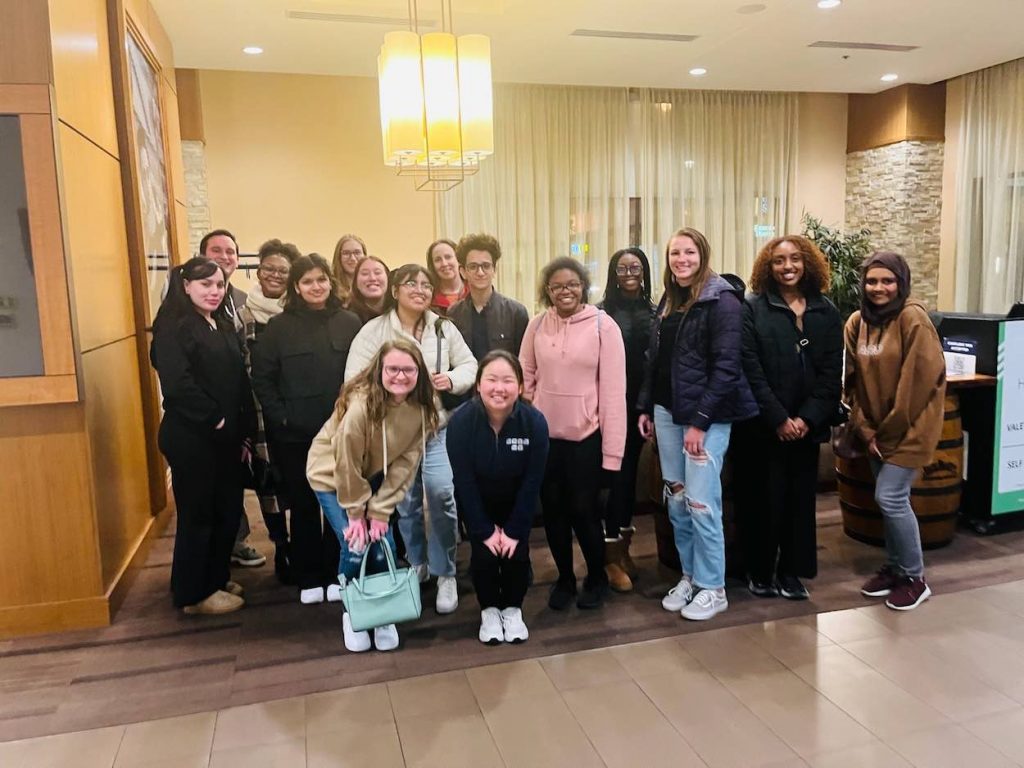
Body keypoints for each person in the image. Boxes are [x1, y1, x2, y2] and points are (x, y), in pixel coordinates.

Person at [637, 228, 758, 621]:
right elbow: (655, 360)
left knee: (702, 504)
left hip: (705, 420)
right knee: (677, 501)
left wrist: (700, 423)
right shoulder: (669, 300)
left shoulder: (722, 300)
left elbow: (727, 367)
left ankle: (714, 587)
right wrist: (645, 407)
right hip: (667, 414)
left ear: (702, 254)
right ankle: (690, 575)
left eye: (689, 252)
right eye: (674, 253)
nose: (681, 259)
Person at [345, 264, 477, 614]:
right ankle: (416, 561)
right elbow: (353, 379)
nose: (419, 289)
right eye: (411, 283)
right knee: (405, 502)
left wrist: (450, 379)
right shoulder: (374, 331)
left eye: (425, 284)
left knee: (441, 492)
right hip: (394, 434)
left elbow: (470, 365)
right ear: (395, 290)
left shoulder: (443, 328)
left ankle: (445, 570)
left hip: (436, 430)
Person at [307, 340, 439, 652]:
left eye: (409, 369)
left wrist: (380, 511)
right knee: (355, 545)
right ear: (380, 370)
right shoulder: (361, 406)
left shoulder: (423, 409)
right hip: (330, 475)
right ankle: (354, 613)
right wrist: (356, 513)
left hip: (366, 477)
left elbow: (405, 464)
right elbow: (346, 461)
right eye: (392, 369)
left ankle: (382, 613)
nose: (400, 376)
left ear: (420, 372)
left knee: (384, 546)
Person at [735, 235, 843, 601]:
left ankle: (791, 572)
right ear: (768, 267)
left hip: (807, 429)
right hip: (764, 428)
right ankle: (760, 570)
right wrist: (779, 418)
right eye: (779, 260)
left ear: (808, 263)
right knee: (762, 501)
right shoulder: (753, 308)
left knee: (799, 503)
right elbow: (750, 368)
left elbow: (831, 374)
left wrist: (807, 419)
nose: (788, 266)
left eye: (795, 259)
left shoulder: (826, 312)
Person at [251, 254, 362, 604]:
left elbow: (363, 373)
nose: (316, 287)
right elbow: (262, 378)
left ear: (331, 283)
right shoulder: (279, 328)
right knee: (302, 503)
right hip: (294, 433)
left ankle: (337, 570)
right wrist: (281, 417)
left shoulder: (350, 321)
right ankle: (308, 574)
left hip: (341, 431)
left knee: (339, 503)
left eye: (321, 280)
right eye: (308, 281)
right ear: (296, 287)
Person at [520, 257, 627, 610]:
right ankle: (564, 579)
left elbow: (613, 393)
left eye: (571, 284)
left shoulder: (603, 326)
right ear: (547, 291)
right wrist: (533, 404)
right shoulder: (536, 325)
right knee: (552, 513)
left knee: (584, 512)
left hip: (586, 439)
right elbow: (526, 373)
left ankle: (596, 576)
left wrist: (613, 454)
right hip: (546, 439)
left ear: (582, 287)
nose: (565, 291)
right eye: (556, 286)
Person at [150, 257, 255, 615]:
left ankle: (215, 577)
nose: (214, 291)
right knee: (199, 516)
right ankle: (194, 593)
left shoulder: (220, 323)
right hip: (193, 438)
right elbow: (178, 385)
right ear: (186, 286)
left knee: (225, 511)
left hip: (224, 440)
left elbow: (237, 377)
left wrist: (241, 427)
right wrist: (216, 419)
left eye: (220, 285)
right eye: (205, 284)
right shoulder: (173, 328)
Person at [846, 251, 946, 611]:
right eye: (872, 281)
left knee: (890, 497)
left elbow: (917, 385)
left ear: (901, 283)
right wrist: (866, 429)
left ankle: (915, 578)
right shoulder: (857, 322)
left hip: (911, 430)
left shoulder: (912, 319)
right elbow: (853, 384)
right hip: (874, 434)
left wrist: (885, 434)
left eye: (887, 281)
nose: (879, 288)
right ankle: (896, 567)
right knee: (888, 502)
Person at [448, 351, 550, 644]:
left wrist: (515, 530)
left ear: (519, 386)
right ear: (478, 385)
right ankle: (489, 609)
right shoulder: (461, 424)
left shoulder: (535, 423)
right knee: (484, 553)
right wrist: (484, 530)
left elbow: (533, 482)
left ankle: (513, 608)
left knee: (516, 552)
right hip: (478, 501)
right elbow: (463, 482)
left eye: (507, 380)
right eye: (491, 379)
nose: (499, 388)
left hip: (517, 501)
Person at [198, 228, 267, 569]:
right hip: (204, 415)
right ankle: (210, 560)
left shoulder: (241, 300)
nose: (224, 257)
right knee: (207, 490)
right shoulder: (185, 305)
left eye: (231, 252)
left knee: (235, 478)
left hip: (240, 405)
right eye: (217, 250)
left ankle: (234, 542)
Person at [238, 239, 301, 583]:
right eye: (269, 269)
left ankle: (305, 543)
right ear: (258, 271)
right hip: (259, 411)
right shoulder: (242, 313)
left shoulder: (298, 313)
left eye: (283, 271)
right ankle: (281, 545)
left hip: (295, 408)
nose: (275, 275)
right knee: (268, 480)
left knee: (302, 478)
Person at [597, 247, 656, 593]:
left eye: (635, 266)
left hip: (640, 409)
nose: (629, 272)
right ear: (612, 273)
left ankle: (622, 551)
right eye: (622, 268)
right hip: (606, 409)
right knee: (610, 482)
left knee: (629, 480)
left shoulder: (656, 311)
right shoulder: (600, 313)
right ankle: (607, 558)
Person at [447, 233, 530, 360]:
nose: (480, 272)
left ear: (494, 270)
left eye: (486, 266)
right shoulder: (454, 313)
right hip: (466, 380)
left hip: (503, 379)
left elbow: (524, 361)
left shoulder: (516, 312)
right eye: (473, 267)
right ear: (463, 272)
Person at [425, 238, 468, 316]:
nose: (444, 263)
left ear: (458, 259)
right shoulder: (429, 299)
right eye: (438, 260)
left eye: (448, 257)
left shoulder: (475, 292)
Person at [347, 256, 391, 325]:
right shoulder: (347, 319)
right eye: (365, 273)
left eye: (377, 273)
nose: (372, 278)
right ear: (356, 282)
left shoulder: (401, 313)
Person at [332, 233, 368, 307]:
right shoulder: (331, 287)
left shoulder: (373, 284)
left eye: (357, 253)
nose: (352, 258)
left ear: (364, 255)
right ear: (339, 257)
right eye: (346, 253)